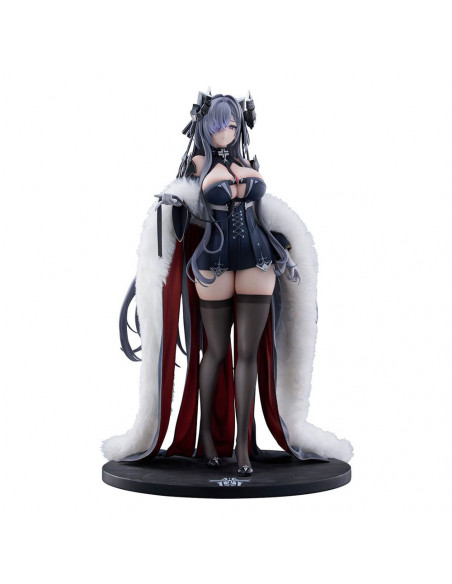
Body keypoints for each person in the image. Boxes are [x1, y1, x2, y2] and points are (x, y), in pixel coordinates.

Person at [102, 91, 353, 473]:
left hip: (257, 260)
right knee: (216, 352)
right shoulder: (197, 164)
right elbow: (186, 204)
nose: (226, 132)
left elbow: (262, 211)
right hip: (213, 263)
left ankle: (243, 448)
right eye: (219, 126)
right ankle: (206, 439)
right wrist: (172, 208)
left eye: (233, 125)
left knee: (248, 354)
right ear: (206, 127)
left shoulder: (247, 161)